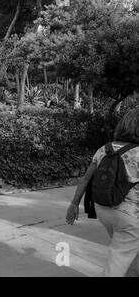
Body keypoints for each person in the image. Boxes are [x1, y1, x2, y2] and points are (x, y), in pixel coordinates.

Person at [66, 108, 139, 277]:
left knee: (129, 252)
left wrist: (74, 204)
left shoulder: (105, 149)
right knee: (119, 259)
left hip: (103, 209)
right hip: (129, 217)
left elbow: (85, 179)